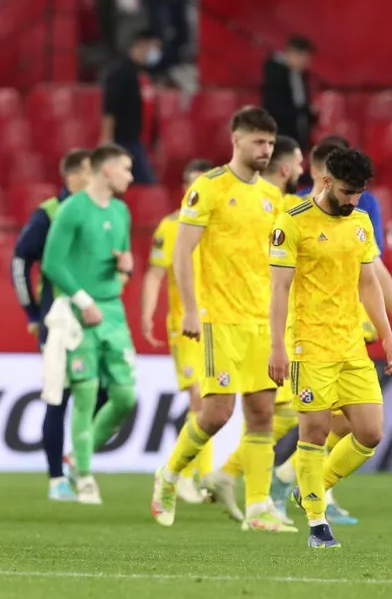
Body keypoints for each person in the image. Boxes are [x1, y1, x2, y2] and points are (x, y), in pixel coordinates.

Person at [150, 106, 295, 533]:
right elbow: (182, 251)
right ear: (236, 140)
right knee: (216, 413)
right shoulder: (209, 187)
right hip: (219, 319)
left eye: (270, 143)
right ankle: (169, 476)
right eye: (258, 142)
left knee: (262, 413)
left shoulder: (272, 197)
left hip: (261, 321)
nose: (265, 150)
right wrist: (190, 308)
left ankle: (258, 508)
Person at [267, 135, 392, 525]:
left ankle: (310, 488)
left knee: (370, 433)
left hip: (351, 343)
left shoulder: (361, 223)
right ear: (326, 181)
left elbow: (368, 283)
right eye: (347, 191)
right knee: (315, 432)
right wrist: (277, 346)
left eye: (359, 192)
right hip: (309, 343)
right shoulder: (293, 222)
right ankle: (317, 521)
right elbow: (279, 288)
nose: (353, 200)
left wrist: (387, 333)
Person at [204, 136, 305, 522]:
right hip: (250, 322)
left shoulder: (286, 207)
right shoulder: (270, 208)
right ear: (286, 168)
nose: (301, 171)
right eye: (298, 164)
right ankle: (252, 488)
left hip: (273, 322)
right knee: (270, 411)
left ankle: (234, 480)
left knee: (283, 412)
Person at [40, 144, 137, 506]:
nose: (131, 176)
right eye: (125, 169)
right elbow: (52, 263)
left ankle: (74, 458)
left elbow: (122, 260)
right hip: (79, 315)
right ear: (107, 170)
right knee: (84, 395)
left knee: (125, 396)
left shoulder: (121, 211)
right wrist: (83, 301)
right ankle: (84, 477)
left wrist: (126, 266)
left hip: (113, 313)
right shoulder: (72, 209)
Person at [10, 149, 92, 501]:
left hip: (94, 320)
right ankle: (57, 479)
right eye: (90, 172)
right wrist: (31, 312)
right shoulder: (49, 213)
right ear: (73, 176)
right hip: (58, 318)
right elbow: (20, 261)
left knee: (110, 392)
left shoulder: (99, 212)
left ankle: (75, 458)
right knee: (58, 399)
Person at [141, 157, 213, 506]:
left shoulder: (219, 226)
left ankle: (201, 477)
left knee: (212, 402)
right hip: (184, 325)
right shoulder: (171, 226)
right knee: (199, 399)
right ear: (185, 187)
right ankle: (185, 475)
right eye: (192, 183)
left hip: (219, 324)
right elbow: (155, 274)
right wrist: (147, 314)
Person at [101, 30, 161, 184]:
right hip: (125, 141)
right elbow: (110, 108)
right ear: (141, 46)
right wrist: (107, 138)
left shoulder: (144, 74)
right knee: (146, 185)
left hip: (142, 141)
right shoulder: (120, 73)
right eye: (153, 47)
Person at [261, 36, 316, 147]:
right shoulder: (275, 74)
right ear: (292, 54)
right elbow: (275, 107)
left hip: (298, 135)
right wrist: (304, 110)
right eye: (304, 57)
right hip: (282, 136)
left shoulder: (301, 76)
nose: (306, 62)